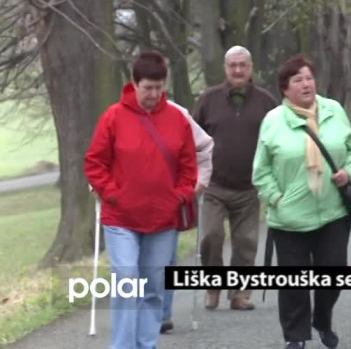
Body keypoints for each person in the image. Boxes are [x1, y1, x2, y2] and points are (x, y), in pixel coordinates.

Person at [84, 50, 198, 349]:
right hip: (121, 217)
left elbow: (189, 167)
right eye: (148, 87)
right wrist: (112, 193)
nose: (154, 94)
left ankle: (146, 344)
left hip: (163, 218)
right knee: (126, 278)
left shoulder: (178, 119)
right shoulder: (113, 117)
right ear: (134, 84)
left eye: (159, 87)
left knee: (153, 287)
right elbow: (95, 162)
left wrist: (179, 196)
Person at [252, 54, 351, 349]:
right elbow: (261, 171)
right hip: (289, 217)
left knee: (334, 273)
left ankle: (322, 320)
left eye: (309, 78)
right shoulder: (274, 121)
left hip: (333, 212)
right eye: (297, 79)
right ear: (285, 89)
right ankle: (296, 337)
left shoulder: (333, 110)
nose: (306, 84)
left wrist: (348, 171)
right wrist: (276, 199)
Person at [193, 45, 278, 310]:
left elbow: (277, 140)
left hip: (249, 186)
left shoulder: (266, 102)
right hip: (214, 185)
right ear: (225, 68)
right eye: (233, 65)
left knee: (246, 242)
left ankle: (240, 294)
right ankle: (213, 286)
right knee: (210, 236)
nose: (238, 70)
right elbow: (191, 137)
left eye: (243, 65)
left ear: (251, 68)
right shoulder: (208, 99)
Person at [160, 99, 214, 334]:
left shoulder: (177, 113)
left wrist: (200, 180)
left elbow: (203, 145)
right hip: (130, 203)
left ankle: (161, 314)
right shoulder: (120, 115)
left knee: (165, 258)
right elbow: (105, 156)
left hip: (168, 199)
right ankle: (139, 311)